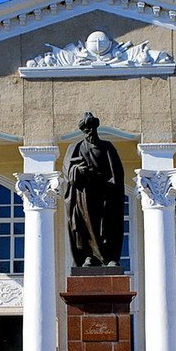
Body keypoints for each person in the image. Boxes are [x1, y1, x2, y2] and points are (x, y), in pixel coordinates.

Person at [63, 112, 125, 267]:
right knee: (85, 226)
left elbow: (117, 172)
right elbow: (68, 171)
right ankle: (88, 256)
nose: (90, 132)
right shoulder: (75, 148)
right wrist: (78, 171)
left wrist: (110, 184)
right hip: (84, 195)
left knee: (108, 225)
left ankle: (109, 257)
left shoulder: (107, 147)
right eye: (86, 129)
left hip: (106, 193)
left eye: (92, 128)